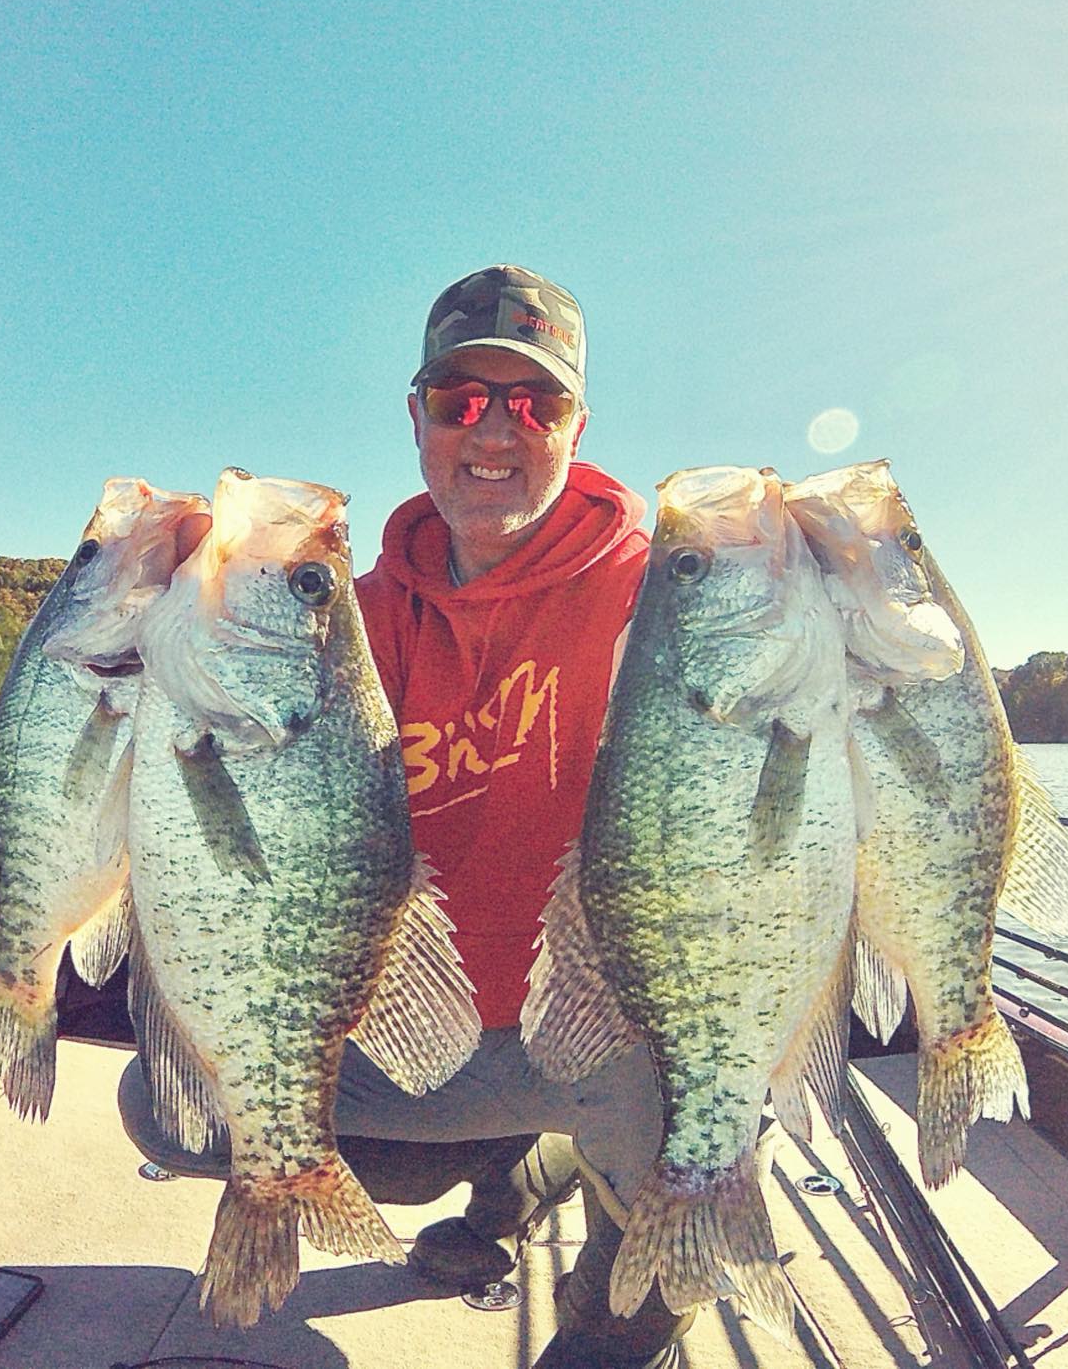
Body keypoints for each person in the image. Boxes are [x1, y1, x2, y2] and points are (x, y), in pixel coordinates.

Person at [119, 265, 684, 1367]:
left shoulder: (660, 597)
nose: (494, 428)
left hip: (594, 1030)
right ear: (416, 417)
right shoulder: (348, 619)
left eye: (535, 402)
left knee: (699, 1109)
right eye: (459, 398)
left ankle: (615, 1316)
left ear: (576, 425)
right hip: (408, 1025)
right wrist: (145, 597)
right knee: (170, 1105)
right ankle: (516, 1166)